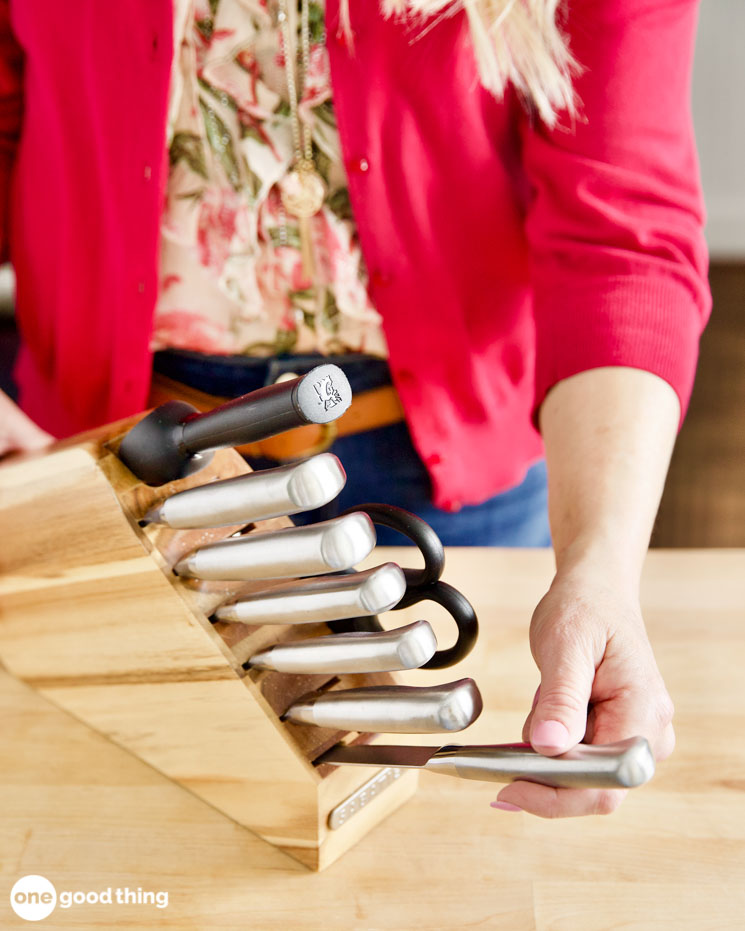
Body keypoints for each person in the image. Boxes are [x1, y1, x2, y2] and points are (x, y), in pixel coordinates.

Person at [0, 0, 708, 818]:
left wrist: (599, 569)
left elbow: (619, 234)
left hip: (446, 460)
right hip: (122, 447)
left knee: (429, 839)